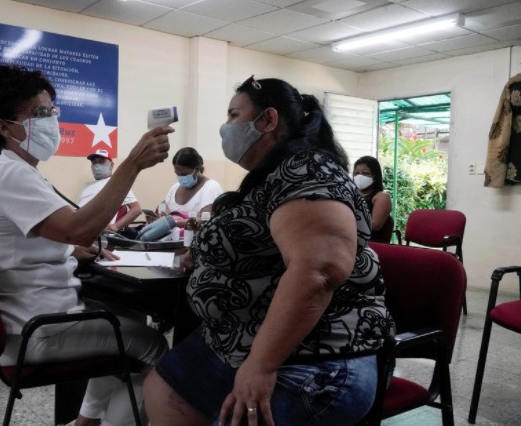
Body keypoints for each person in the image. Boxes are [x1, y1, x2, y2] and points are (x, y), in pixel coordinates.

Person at [143, 76, 394, 425]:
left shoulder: (309, 169)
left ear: (268, 121)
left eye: (234, 115)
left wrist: (261, 365)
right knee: (164, 386)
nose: (225, 127)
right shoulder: (271, 176)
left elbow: (320, 270)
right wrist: (205, 254)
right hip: (240, 339)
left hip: (313, 355)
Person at [0, 63, 172, 426]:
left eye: (51, 110)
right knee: (153, 347)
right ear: (4, 126)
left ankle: (85, 422)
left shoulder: (16, 169)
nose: (50, 120)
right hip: (36, 330)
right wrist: (132, 165)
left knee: (126, 322)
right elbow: (78, 228)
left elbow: (49, 239)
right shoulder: (11, 174)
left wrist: (70, 250)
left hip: (33, 319)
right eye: (39, 113)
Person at [77, 148, 143, 233]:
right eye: (94, 162)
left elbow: (136, 209)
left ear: (111, 165)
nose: (97, 165)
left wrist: (116, 226)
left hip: (98, 234)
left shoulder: (117, 183)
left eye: (101, 162)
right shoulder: (86, 185)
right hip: (78, 228)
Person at [157, 147, 223, 228]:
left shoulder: (211, 187)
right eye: (178, 174)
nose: (181, 178)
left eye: (184, 174)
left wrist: (176, 222)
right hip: (173, 238)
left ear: (197, 169)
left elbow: (205, 221)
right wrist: (159, 216)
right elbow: (162, 206)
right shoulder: (175, 187)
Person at [353, 155, 393, 243]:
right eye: (356, 173)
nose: (360, 177)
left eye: (365, 173)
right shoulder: (351, 194)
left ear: (374, 176)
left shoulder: (381, 197)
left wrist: (345, 224)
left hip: (372, 244)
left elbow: (375, 225)